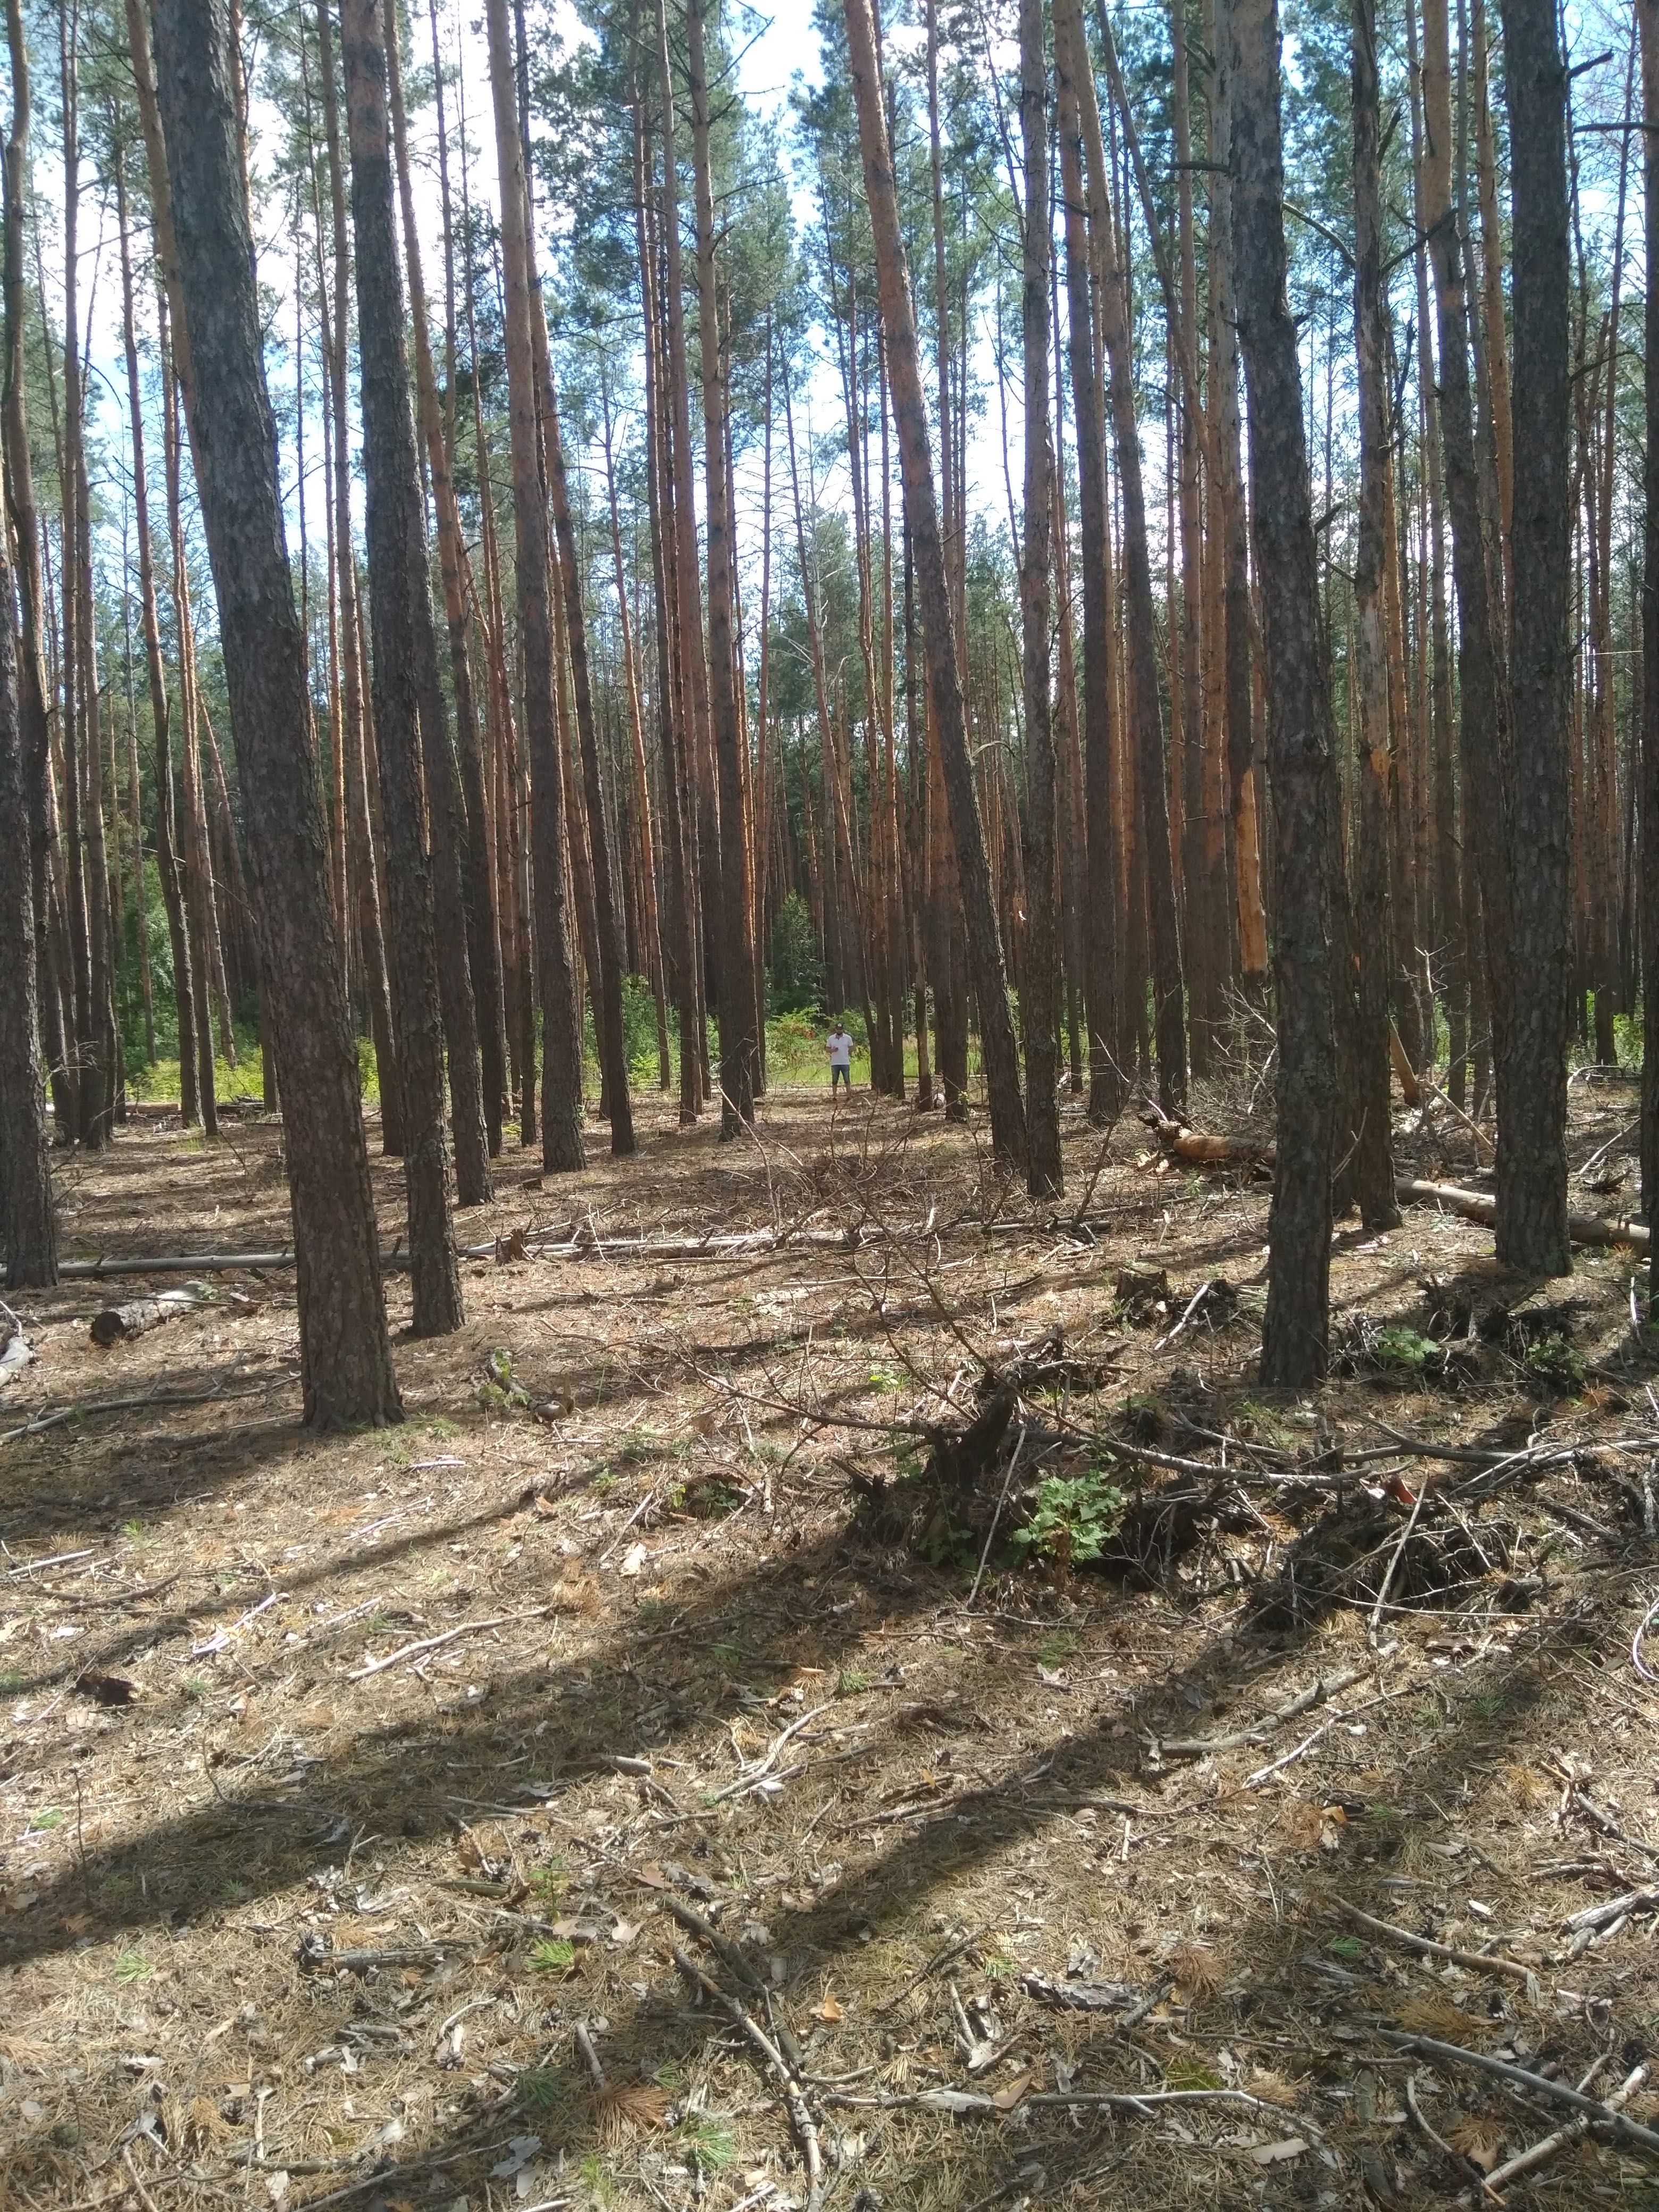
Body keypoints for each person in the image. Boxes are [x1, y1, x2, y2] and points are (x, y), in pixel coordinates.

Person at [825, 1020, 854, 1097]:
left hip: (845, 1062)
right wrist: (832, 1050)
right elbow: (827, 1049)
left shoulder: (848, 1038)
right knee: (835, 1080)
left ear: (843, 1029)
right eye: (838, 1029)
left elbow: (851, 1048)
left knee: (847, 1080)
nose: (839, 1030)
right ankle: (834, 1096)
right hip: (835, 1063)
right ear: (835, 1029)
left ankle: (848, 1095)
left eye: (841, 1029)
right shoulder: (831, 1038)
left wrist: (847, 1053)